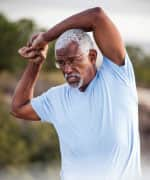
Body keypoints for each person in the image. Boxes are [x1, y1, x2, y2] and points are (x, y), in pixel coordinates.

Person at [11, 7, 141, 180]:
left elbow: (97, 16)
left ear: (92, 56)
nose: (67, 69)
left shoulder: (117, 78)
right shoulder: (56, 98)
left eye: (73, 60)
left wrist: (45, 38)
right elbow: (18, 108)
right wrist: (36, 64)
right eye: (61, 63)